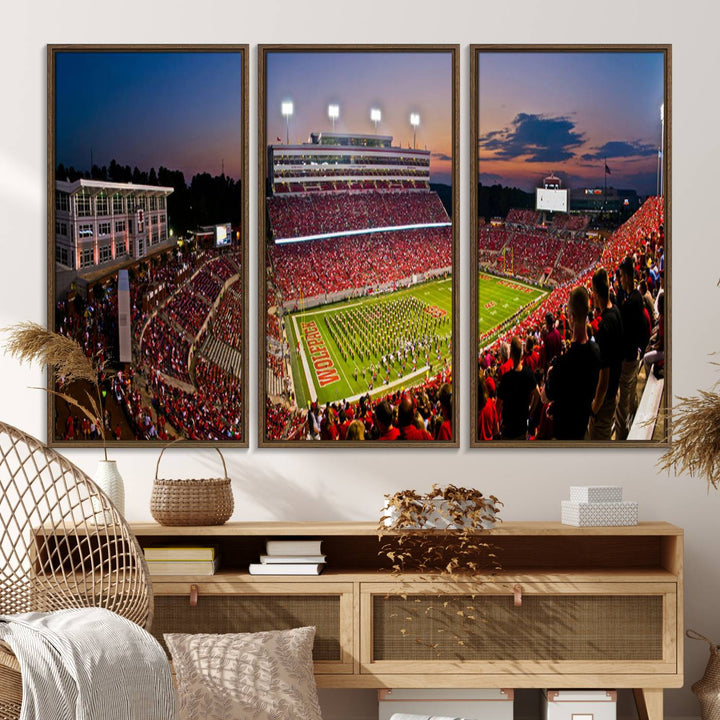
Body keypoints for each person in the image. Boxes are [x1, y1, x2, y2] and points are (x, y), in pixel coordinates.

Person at [543, 286, 601, 440]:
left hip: (565, 434)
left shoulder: (563, 364)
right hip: (583, 427)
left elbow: (545, 396)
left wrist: (549, 375)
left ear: (572, 317)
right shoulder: (596, 351)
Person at [615, 256, 650, 440]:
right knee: (631, 397)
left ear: (627, 276)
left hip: (628, 359)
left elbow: (625, 333)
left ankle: (622, 440)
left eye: (621, 276)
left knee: (622, 406)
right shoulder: (635, 298)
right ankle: (634, 421)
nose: (620, 280)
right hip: (634, 356)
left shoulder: (631, 302)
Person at [587, 267, 624, 441]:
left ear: (595, 292)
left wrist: (594, 408)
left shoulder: (603, 327)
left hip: (605, 400)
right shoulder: (616, 311)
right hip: (614, 390)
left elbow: (604, 376)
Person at [496, 336, 538, 440]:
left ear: (511, 354)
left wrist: (498, 426)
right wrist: (530, 411)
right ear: (522, 353)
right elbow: (537, 394)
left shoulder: (506, 378)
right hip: (522, 426)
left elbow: (497, 406)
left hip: (508, 428)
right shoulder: (528, 373)